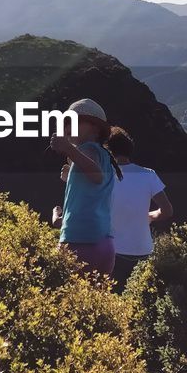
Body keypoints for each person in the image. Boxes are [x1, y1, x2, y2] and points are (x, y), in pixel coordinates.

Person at [50, 98, 122, 276]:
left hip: (79, 243)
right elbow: (92, 188)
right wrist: (71, 179)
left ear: (95, 128)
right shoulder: (103, 155)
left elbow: (96, 175)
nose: (69, 128)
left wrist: (68, 149)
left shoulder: (88, 149)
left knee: (65, 299)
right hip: (104, 243)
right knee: (94, 301)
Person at [104, 127, 172, 286]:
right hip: (144, 251)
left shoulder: (106, 177)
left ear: (108, 151)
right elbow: (167, 210)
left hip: (115, 252)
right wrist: (150, 216)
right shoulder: (149, 175)